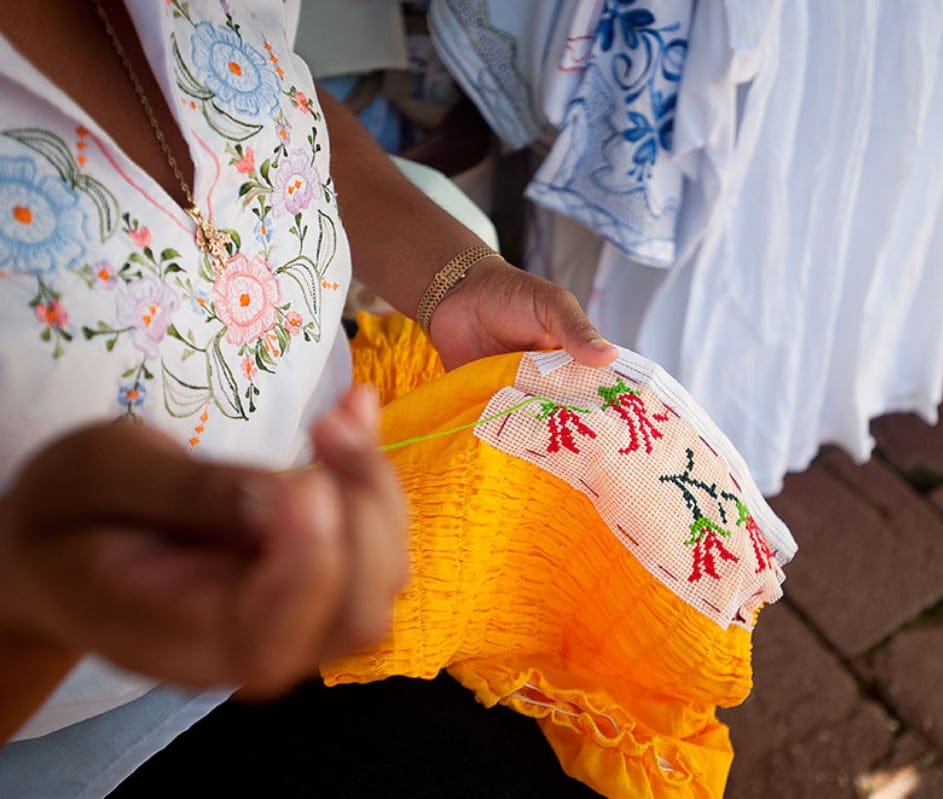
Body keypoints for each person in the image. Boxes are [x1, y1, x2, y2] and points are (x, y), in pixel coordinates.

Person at [0, 0, 615, 793]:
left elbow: (270, 97)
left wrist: (452, 275)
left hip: (353, 559)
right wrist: (45, 599)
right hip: (72, 721)